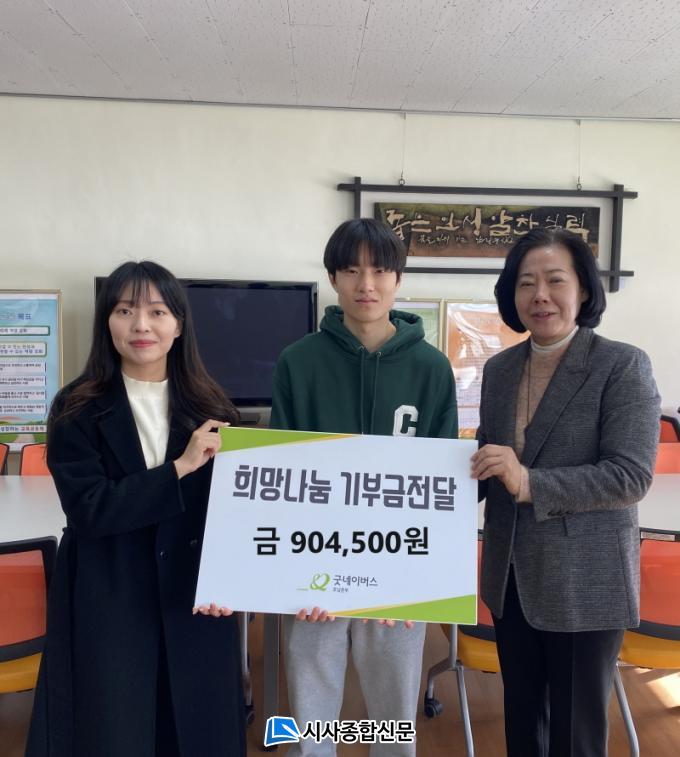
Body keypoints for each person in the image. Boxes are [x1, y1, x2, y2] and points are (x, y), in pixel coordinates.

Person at [26, 261, 246, 757]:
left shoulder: (213, 408)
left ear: (179, 325)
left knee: (195, 727)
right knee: (113, 727)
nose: (141, 325)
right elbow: (90, 509)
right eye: (125, 310)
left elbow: (231, 517)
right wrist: (179, 469)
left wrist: (230, 580)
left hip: (193, 595)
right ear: (107, 321)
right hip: (109, 591)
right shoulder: (75, 407)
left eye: (157, 312)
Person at [270, 218, 458, 757]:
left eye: (379, 271)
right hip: (314, 565)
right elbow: (280, 477)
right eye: (352, 271)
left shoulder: (432, 368)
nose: (366, 284)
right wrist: (293, 571)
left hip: (397, 567)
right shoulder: (297, 361)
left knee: (394, 712)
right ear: (333, 278)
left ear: (398, 278)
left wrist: (418, 577)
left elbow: (440, 486)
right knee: (311, 712)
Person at [470, 228, 660, 757]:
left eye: (555, 280)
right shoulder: (500, 370)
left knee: (575, 738)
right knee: (522, 728)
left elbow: (629, 475)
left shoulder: (621, 364)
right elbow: (489, 460)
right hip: (510, 579)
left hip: (584, 583)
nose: (540, 295)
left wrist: (528, 482)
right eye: (525, 283)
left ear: (583, 290)